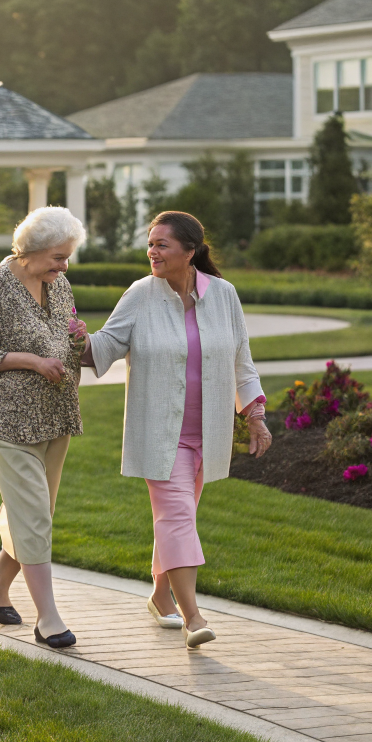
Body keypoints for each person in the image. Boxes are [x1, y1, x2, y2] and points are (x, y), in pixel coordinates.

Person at [81, 210, 271, 648]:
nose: (152, 251)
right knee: (178, 518)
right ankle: (193, 617)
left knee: (177, 518)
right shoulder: (140, 295)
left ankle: (160, 596)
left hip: (209, 433)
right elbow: (107, 345)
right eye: (150, 244)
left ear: (190, 251)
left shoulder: (223, 295)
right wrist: (79, 340)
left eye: (162, 244)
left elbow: (241, 359)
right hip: (160, 434)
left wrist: (255, 418)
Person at [0, 205, 90, 650]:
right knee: (33, 515)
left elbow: (63, 335)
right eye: (58, 257)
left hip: (56, 413)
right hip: (9, 418)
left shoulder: (59, 283)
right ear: (30, 251)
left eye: (67, 257)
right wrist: (32, 362)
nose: (64, 266)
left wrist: (77, 336)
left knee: (37, 514)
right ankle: (48, 618)